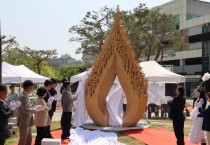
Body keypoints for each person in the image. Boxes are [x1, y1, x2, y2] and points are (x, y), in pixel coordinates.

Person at [17, 80, 45, 145]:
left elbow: (27, 108)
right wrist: (35, 109)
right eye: (32, 87)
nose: (32, 89)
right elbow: (25, 110)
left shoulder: (25, 95)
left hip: (27, 121)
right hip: (24, 122)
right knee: (23, 141)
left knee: (28, 140)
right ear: (29, 87)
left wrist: (35, 108)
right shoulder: (23, 96)